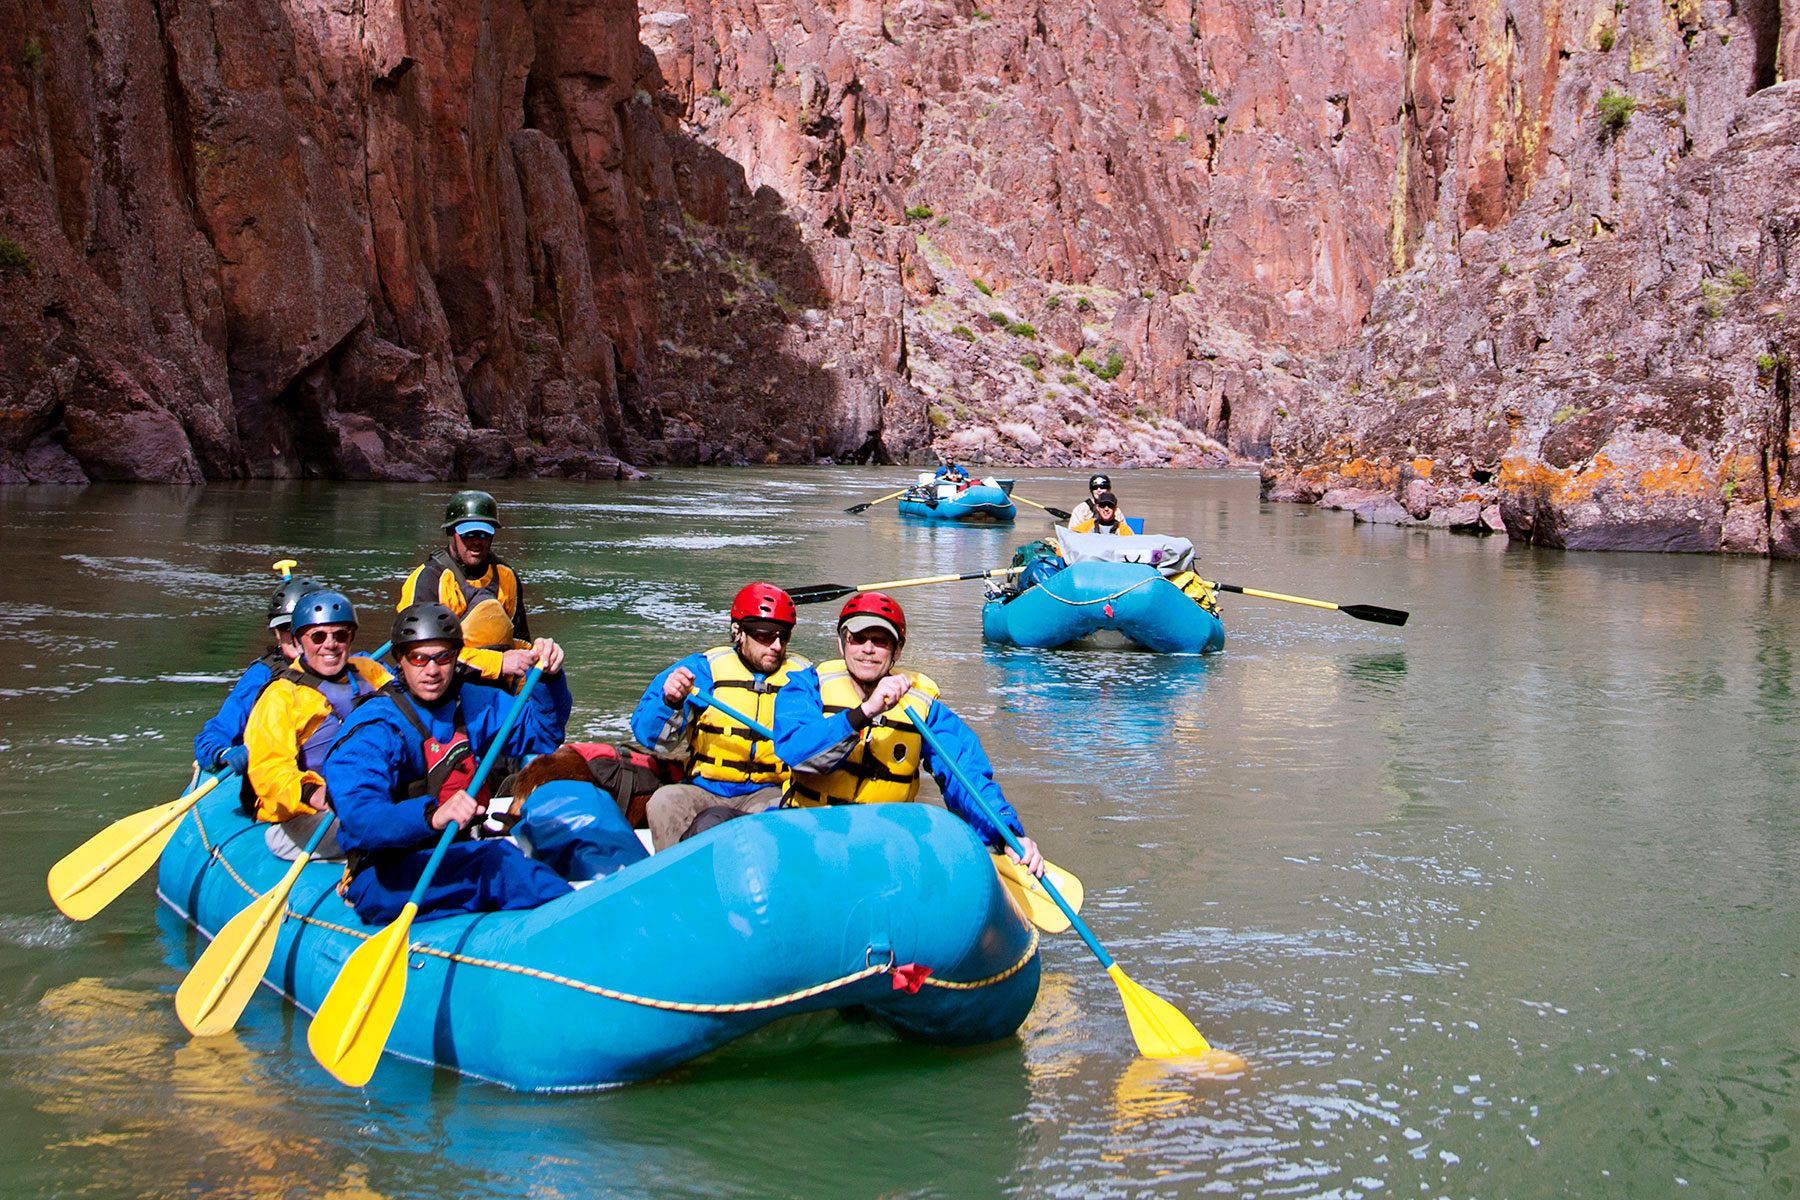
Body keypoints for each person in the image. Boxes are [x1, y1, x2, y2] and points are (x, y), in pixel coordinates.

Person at [322, 602, 573, 923]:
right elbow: (362, 820)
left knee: (506, 861)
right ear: (400, 660)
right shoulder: (374, 726)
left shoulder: (472, 702)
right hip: (385, 875)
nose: (431, 670)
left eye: (443, 657)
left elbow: (543, 734)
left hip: (453, 854)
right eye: (418, 658)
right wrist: (432, 816)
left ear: (456, 658)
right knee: (501, 863)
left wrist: (549, 679)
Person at [773, 593, 1044, 875]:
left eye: (880, 641)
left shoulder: (923, 707)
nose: (868, 649)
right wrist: (865, 712)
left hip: (883, 843)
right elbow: (797, 752)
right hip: (810, 832)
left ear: (897, 651)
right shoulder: (806, 686)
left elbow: (965, 774)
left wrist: (1006, 833)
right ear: (841, 644)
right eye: (858, 638)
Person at [630, 584, 811, 850]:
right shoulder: (701, 669)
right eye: (764, 635)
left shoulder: (802, 678)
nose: (776, 646)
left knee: (780, 812)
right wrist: (670, 702)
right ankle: (677, 879)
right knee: (664, 800)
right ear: (738, 632)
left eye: (783, 636)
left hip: (770, 790)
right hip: (705, 789)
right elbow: (650, 738)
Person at [241, 591, 392, 828]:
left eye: (340, 635)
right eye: (318, 636)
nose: (330, 645)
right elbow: (270, 770)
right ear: (299, 642)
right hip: (306, 815)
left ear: (351, 638)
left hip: (371, 794)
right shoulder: (280, 696)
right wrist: (314, 793)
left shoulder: (369, 671)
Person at [193, 574, 327, 777]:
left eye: (304, 627)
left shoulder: (355, 667)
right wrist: (223, 753)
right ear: (275, 632)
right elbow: (213, 735)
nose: (294, 635)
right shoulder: (262, 675)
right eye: (285, 627)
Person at [396, 490, 536, 683]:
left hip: (498, 688)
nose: (477, 541)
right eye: (468, 534)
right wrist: (497, 663)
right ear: (451, 533)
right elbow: (418, 656)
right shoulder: (428, 580)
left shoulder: (506, 576)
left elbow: (521, 643)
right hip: (443, 688)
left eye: (484, 534)